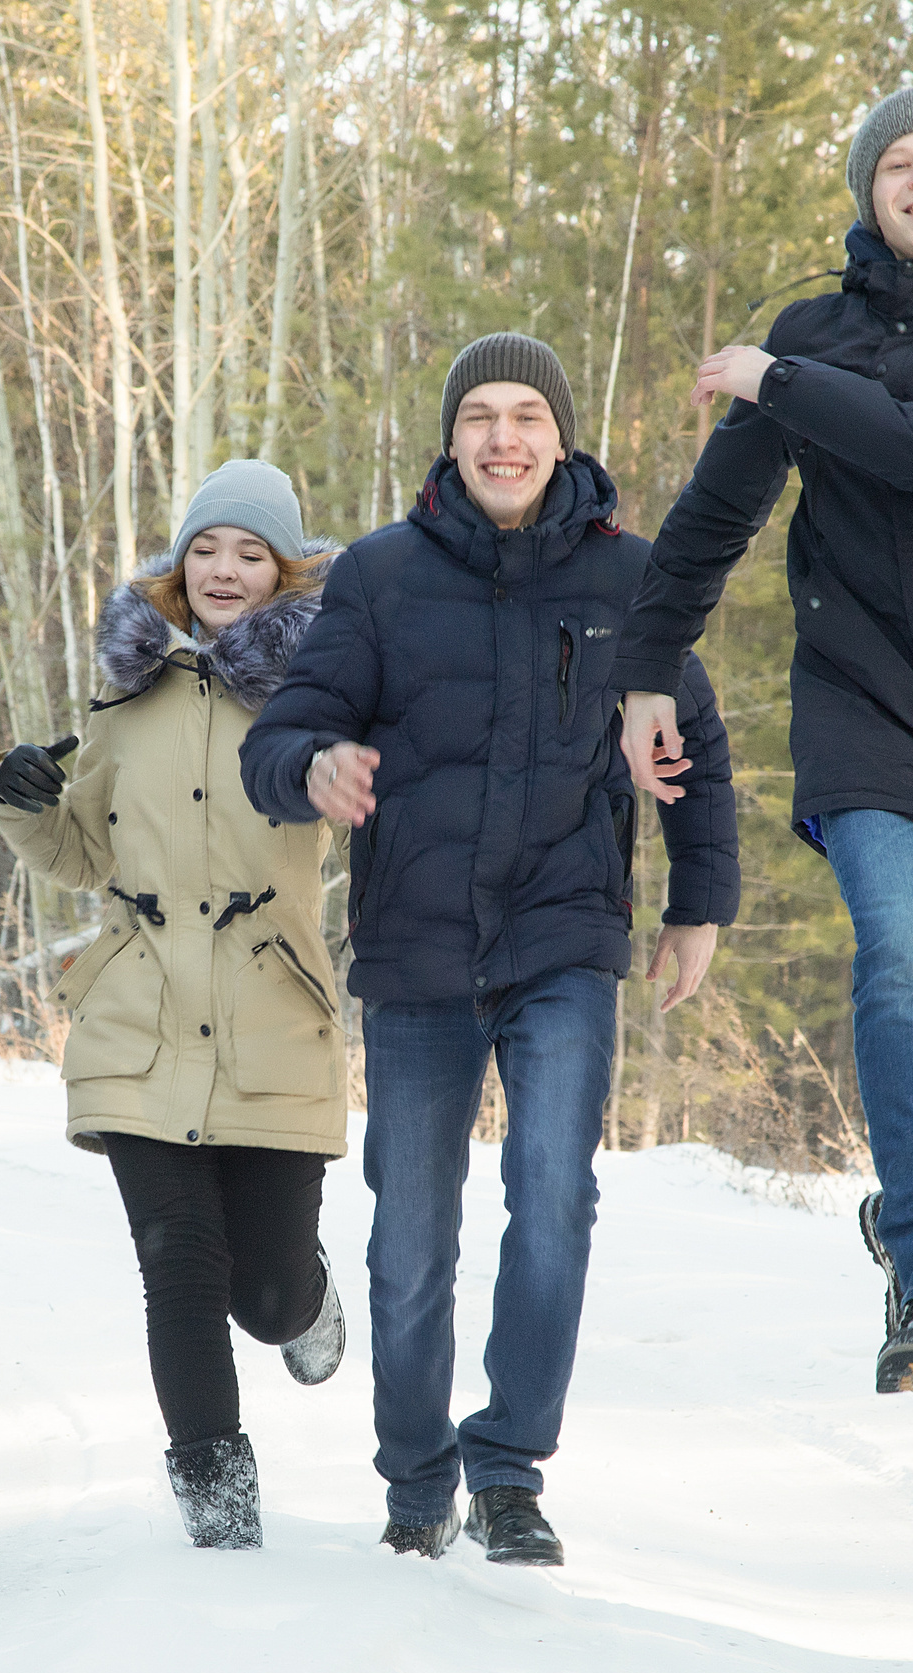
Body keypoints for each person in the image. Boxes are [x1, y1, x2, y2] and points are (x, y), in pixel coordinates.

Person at [615, 88, 913, 1401]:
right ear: (868, 192)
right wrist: (644, 671)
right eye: (898, 162)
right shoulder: (818, 332)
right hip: (864, 705)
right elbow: (713, 516)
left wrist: (781, 383)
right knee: (902, 964)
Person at [242, 335, 742, 1566]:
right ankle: (417, 1481)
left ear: (560, 439)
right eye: (480, 415)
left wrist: (696, 906)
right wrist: (314, 764)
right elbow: (282, 736)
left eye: (526, 415)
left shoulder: (632, 578)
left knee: (554, 1198)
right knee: (410, 1238)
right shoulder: (379, 576)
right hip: (414, 948)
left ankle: (509, 1470)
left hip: (564, 934)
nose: (503, 437)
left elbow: (694, 744)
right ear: (451, 438)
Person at [0, 460, 348, 1551]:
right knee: (179, 1263)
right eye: (207, 549)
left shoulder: (325, 688)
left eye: (251, 552)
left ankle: (308, 1299)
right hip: (136, 1015)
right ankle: (218, 1511)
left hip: (269, 1012)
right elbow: (82, 853)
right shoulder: (128, 688)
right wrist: (23, 804)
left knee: (265, 1294)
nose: (225, 569)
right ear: (181, 564)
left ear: (284, 571)